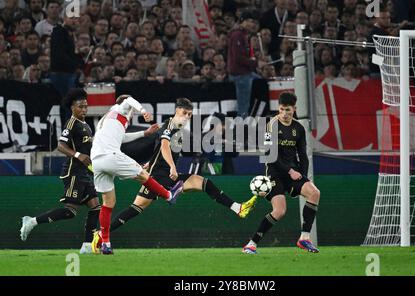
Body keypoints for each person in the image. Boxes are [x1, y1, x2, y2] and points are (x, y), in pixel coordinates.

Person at [98, 99, 256, 238]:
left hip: (161, 173)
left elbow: (158, 148)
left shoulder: (179, 129)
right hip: (159, 176)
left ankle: (238, 208)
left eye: (189, 114)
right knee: (136, 208)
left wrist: (150, 162)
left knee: (136, 208)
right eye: (184, 112)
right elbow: (165, 146)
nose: (187, 116)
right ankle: (101, 234)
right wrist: (173, 167)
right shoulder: (169, 125)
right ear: (176, 111)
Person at [90, 94, 184, 255]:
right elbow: (128, 99)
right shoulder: (120, 108)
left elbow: (121, 138)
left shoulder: (107, 120)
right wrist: (142, 110)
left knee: (108, 203)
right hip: (110, 155)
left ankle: (105, 243)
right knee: (144, 174)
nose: (132, 113)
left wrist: (144, 133)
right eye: (131, 110)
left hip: (97, 160)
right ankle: (169, 195)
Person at [19, 88, 100, 254]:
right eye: (80, 107)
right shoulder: (71, 124)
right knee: (70, 212)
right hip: (73, 173)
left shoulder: (85, 124)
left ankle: (86, 246)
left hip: (84, 173)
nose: (84, 110)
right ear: (72, 107)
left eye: (86, 106)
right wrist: (78, 155)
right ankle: (32, 221)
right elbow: (60, 146)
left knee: (96, 207)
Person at [242, 92, 321, 254]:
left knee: (314, 193)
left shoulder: (299, 128)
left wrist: (303, 177)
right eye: (282, 110)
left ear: (295, 109)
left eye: (288, 110)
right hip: (275, 173)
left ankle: (304, 238)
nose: (285, 114)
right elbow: (270, 155)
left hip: (293, 173)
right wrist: (291, 171)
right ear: (278, 108)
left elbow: (303, 155)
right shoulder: (270, 125)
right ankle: (251, 244)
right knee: (279, 211)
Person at [227, 11, 259, 118]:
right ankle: (242, 127)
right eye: (249, 21)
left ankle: (256, 115)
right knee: (243, 105)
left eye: (253, 22)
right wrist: (254, 62)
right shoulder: (237, 35)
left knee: (261, 81)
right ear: (242, 21)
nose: (252, 24)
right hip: (240, 74)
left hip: (246, 72)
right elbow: (238, 58)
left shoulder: (244, 35)